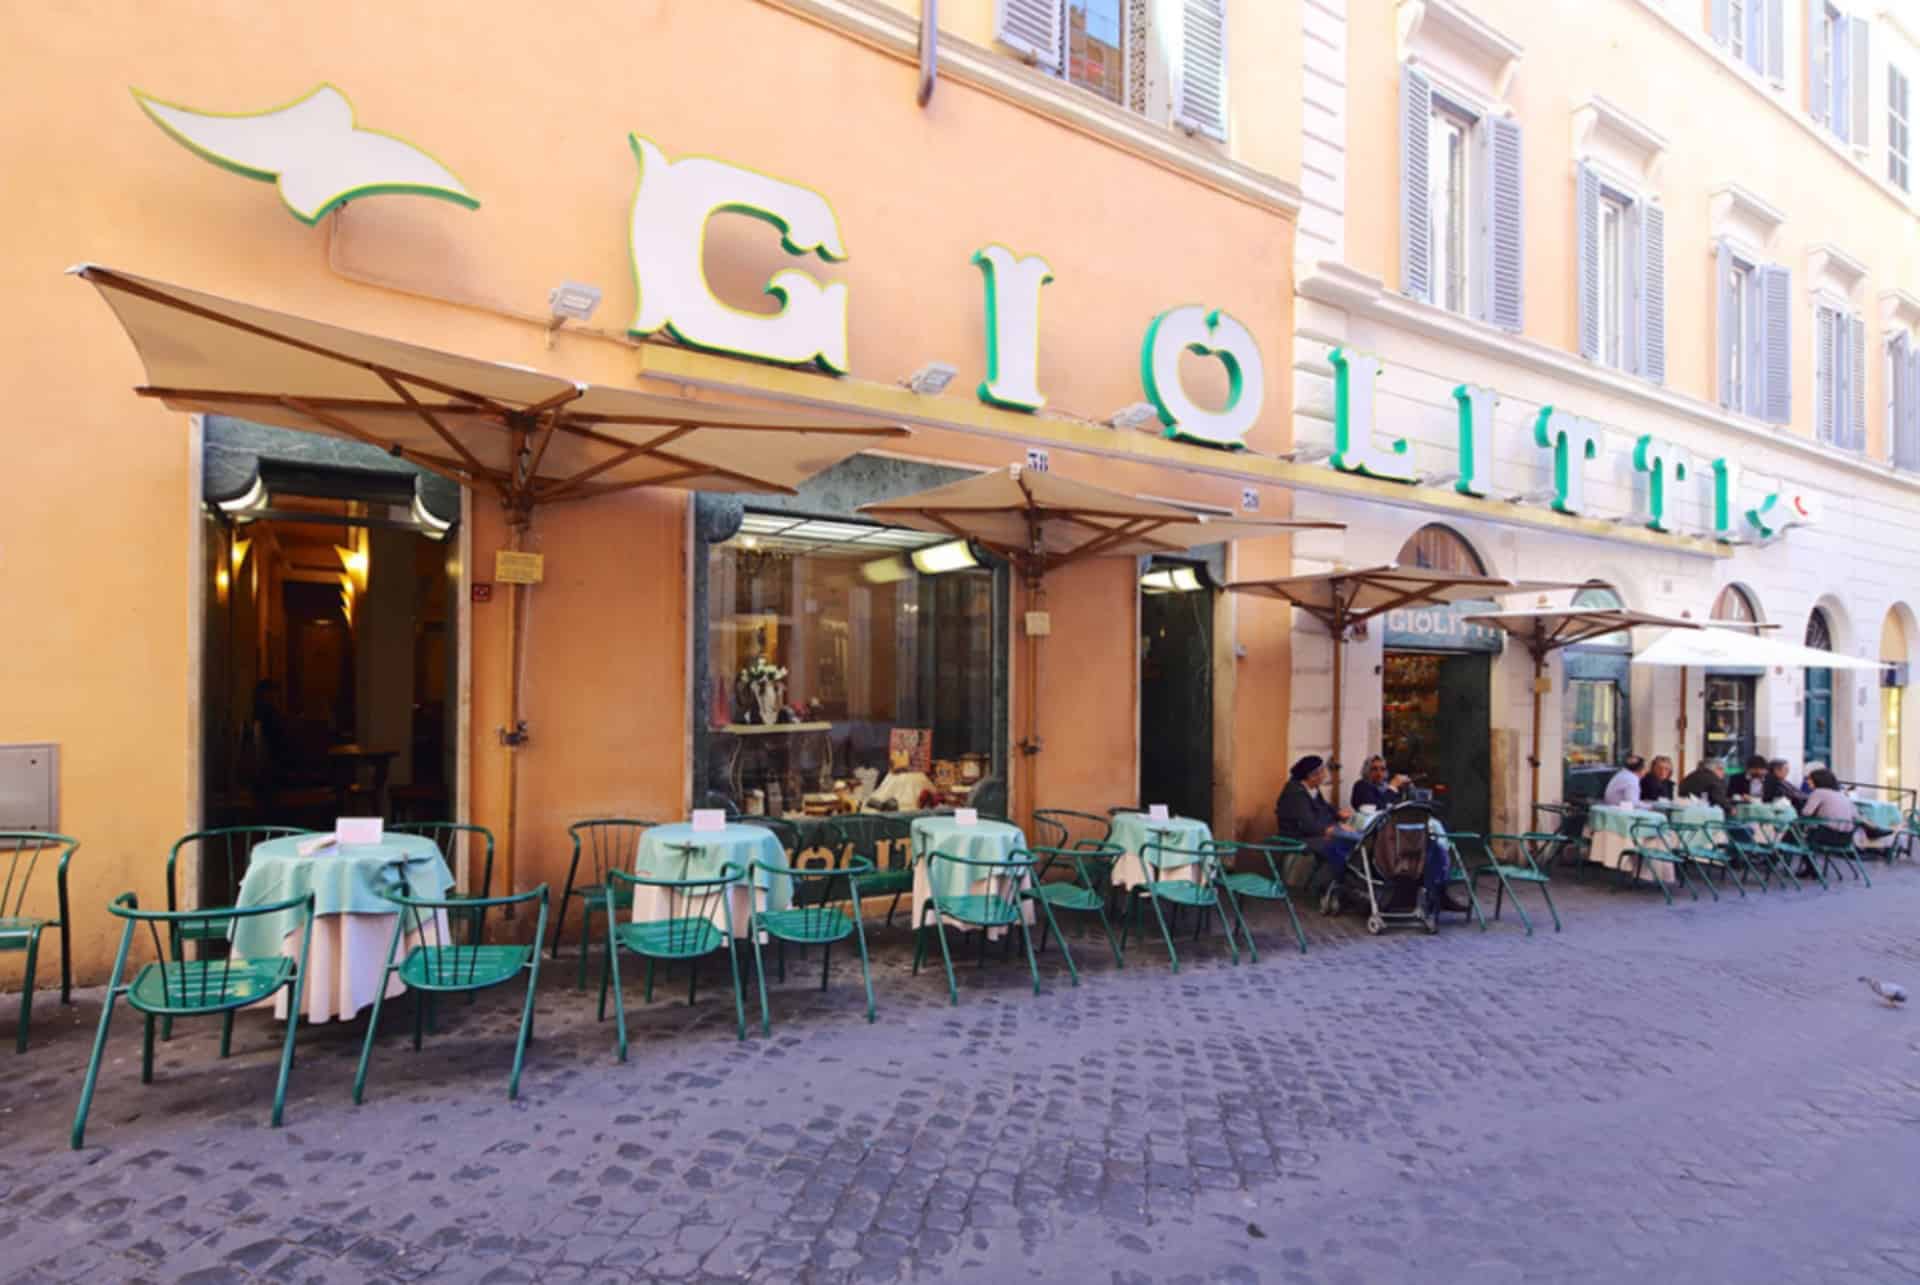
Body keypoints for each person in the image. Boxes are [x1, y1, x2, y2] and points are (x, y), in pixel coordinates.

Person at [1275, 755, 1360, 914]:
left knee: (1349, 845)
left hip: (1314, 834)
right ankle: (1324, 889)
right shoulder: (1295, 793)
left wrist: (1338, 814)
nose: (1325, 775)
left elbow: (1325, 808)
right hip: (1297, 837)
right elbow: (1307, 824)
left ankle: (1335, 887)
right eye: (1322, 772)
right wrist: (1331, 830)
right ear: (1311, 775)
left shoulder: (1312, 789)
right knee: (1335, 847)